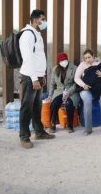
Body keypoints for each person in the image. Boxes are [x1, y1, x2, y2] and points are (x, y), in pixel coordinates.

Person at [19, 10, 54, 148]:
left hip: (38, 76)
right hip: (29, 77)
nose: (44, 21)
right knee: (26, 107)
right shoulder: (27, 34)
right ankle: (24, 137)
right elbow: (27, 58)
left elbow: (39, 57)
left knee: (36, 107)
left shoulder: (36, 34)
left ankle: (39, 132)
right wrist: (34, 78)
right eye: (42, 19)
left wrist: (42, 75)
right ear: (35, 19)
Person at [74, 50, 101, 136]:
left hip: (98, 89)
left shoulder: (99, 65)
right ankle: (88, 129)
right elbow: (76, 78)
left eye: (89, 57)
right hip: (86, 89)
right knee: (88, 101)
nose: (87, 60)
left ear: (93, 56)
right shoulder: (82, 65)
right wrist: (84, 85)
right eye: (85, 58)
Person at [48, 52, 80, 133]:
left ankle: (70, 125)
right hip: (59, 91)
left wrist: (69, 92)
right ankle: (52, 124)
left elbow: (76, 83)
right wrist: (50, 95)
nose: (63, 61)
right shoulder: (55, 69)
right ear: (58, 62)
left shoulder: (74, 68)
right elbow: (52, 84)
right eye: (61, 60)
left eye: (65, 59)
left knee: (69, 104)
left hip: (72, 91)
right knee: (54, 104)